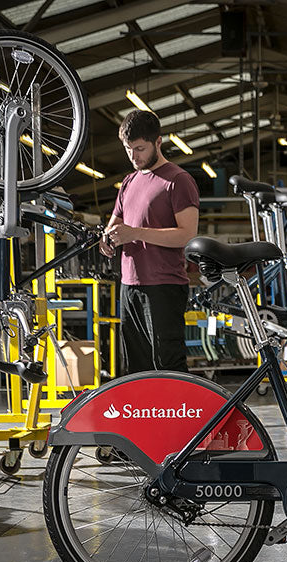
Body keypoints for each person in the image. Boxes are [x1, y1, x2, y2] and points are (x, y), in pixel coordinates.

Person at [99, 110, 199, 374]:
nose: (134, 156)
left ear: (158, 142)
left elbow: (187, 235)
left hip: (164, 286)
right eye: (128, 149)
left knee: (167, 365)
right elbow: (115, 224)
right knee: (135, 368)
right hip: (129, 285)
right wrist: (107, 239)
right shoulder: (129, 182)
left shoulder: (178, 180)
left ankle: (179, 403)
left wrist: (136, 233)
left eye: (140, 149)